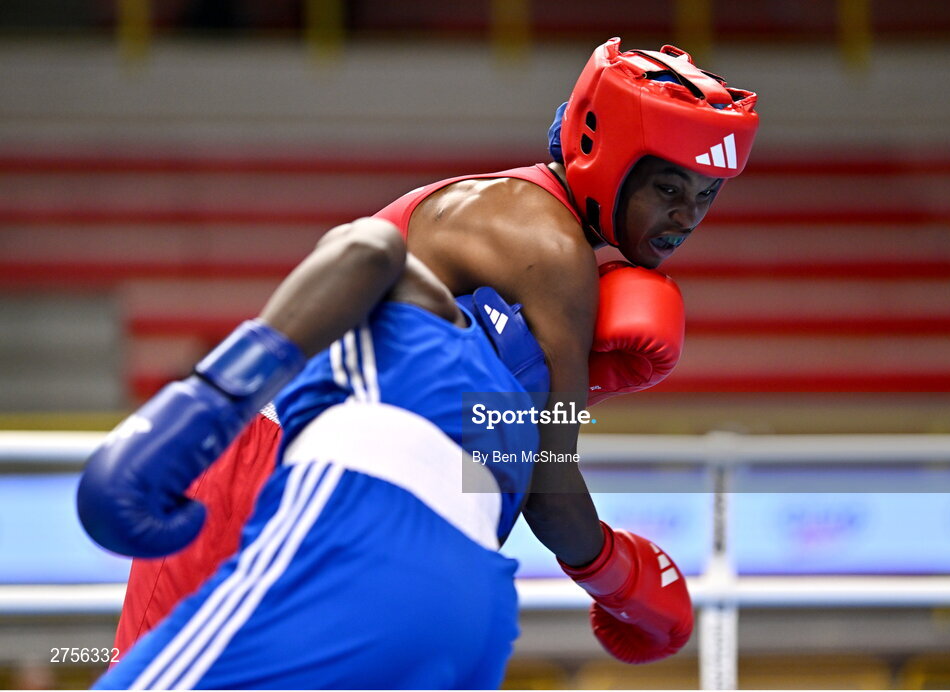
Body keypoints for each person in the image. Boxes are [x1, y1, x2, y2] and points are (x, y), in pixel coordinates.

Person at [111, 36, 759, 664]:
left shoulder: (523, 222)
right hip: (269, 463)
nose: (685, 218)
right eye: (668, 189)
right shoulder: (550, 250)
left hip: (343, 483)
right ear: (610, 155)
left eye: (705, 196)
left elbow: (484, 457)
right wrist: (621, 575)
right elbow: (547, 484)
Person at [79, 217, 693, 688]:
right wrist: (624, 580)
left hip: (351, 527)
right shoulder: (522, 434)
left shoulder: (443, 323)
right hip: (476, 612)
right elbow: (559, 512)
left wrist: (197, 407)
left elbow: (368, 245)